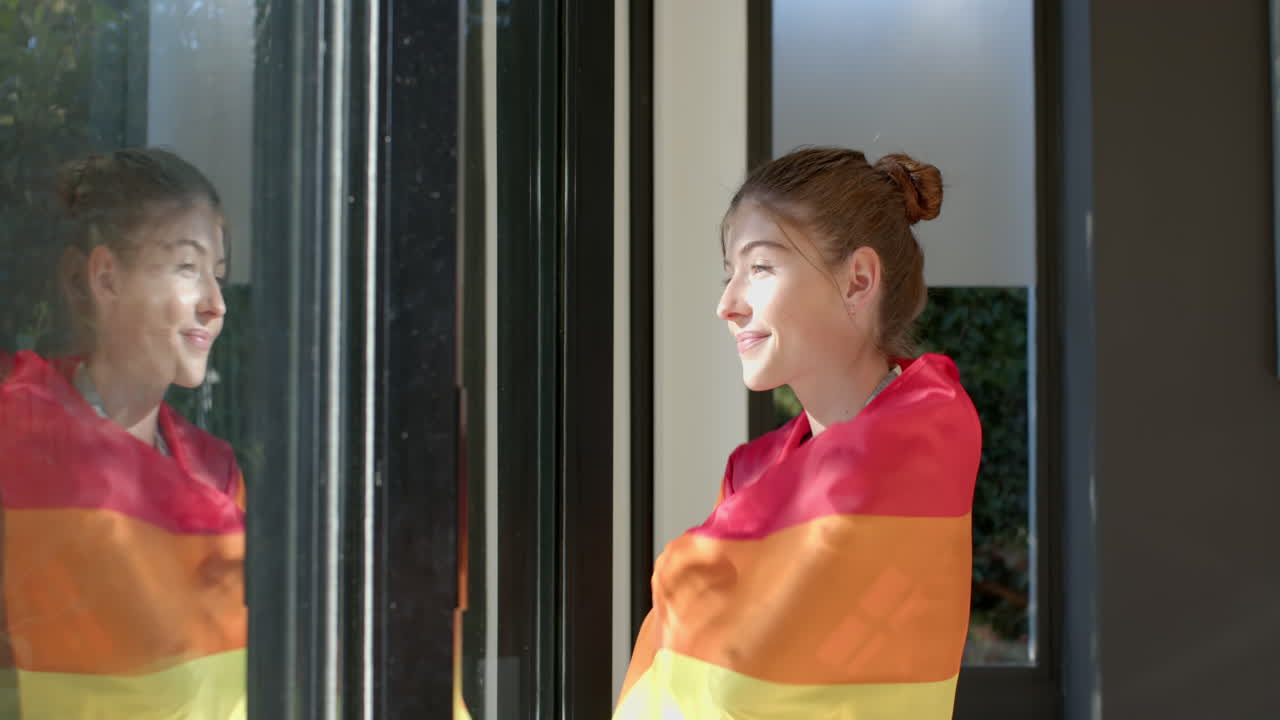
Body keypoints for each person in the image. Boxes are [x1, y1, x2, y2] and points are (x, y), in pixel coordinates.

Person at [614, 147, 982, 719]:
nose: (727, 304)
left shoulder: (929, 431)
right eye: (729, 273)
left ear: (858, 281)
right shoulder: (753, 471)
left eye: (759, 268)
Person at [0, 148, 245, 719]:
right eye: (188, 268)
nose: (216, 304)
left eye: (220, 274)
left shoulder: (217, 470)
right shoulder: (17, 437)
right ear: (106, 277)